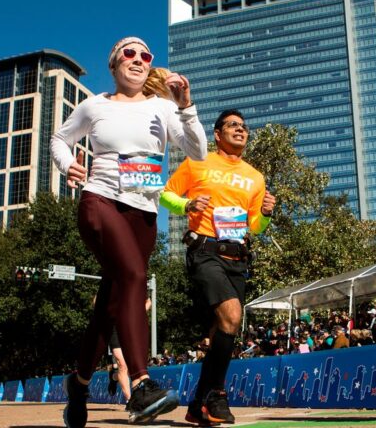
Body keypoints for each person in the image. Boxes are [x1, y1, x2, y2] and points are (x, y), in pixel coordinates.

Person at [50, 36, 207, 426]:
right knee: (135, 276)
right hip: (100, 201)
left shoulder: (163, 108)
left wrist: (186, 107)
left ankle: (80, 383)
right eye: (128, 54)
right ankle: (140, 382)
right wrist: (67, 163)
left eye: (145, 56)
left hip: (144, 214)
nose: (138, 60)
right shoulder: (94, 105)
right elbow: (59, 139)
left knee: (109, 306)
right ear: (114, 64)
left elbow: (198, 151)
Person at [161, 108, 275, 425]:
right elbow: (166, 194)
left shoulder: (255, 176)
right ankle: (217, 394)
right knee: (232, 314)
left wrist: (265, 213)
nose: (240, 130)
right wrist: (186, 204)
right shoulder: (198, 161)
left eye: (244, 126)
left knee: (223, 328)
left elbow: (256, 226)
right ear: (217, 133)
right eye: (232, 125)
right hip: (204, 249)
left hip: (237, 255)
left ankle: (197, 404)